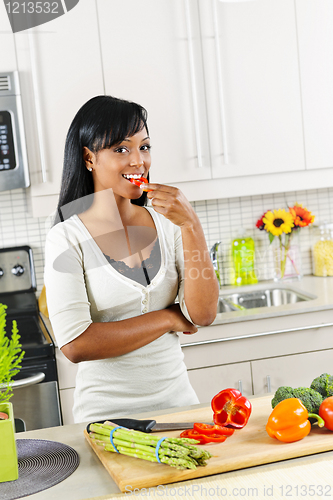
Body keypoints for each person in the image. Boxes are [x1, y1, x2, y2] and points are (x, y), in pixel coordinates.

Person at [44, 95, 219, 423]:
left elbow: (203, 313)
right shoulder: (66, 238)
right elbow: (76, 344)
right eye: (121, 149)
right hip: (107, 421)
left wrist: (191, 225)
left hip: (180, 408)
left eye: (145, 146)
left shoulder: (170, 224)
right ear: (89, 158)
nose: (138, 161)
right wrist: (169, 319)